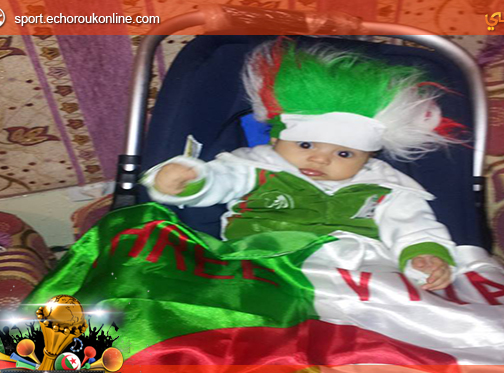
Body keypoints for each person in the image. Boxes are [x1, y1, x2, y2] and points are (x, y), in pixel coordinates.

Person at [141, 41, 461, 291]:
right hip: (262, 264)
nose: (320, 159)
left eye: (344, 154)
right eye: (306, 145)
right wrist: (191, 179)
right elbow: (221, 178)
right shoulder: (257, 165)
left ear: (369, 157)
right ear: (276, 139)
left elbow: (412, 224)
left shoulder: (385, 185)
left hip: (357, 273)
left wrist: (424, 255)